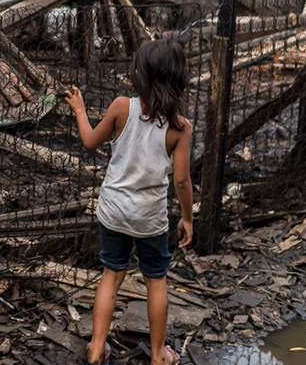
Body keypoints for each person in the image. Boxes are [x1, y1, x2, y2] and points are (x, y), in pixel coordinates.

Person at [65, 39, 194, 365]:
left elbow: (91, 142)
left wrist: (80, 110)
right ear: (179, 80)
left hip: (113, 211)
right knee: (156, 281)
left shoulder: (122, 106)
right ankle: (158, 356)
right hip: (149, 217)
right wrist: (188, 218)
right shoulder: (180, 127)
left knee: (112, 274)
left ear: (138, 74)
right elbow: (181, 181)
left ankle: (96, 350)